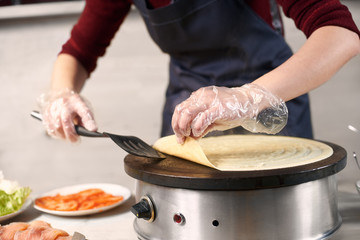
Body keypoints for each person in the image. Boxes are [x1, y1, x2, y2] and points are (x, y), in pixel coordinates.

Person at [38, 0, 360, 145]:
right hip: (186, 122)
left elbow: (340, 33)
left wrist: (248, 97)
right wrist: (62, 95)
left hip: (268, 110)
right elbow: (77, 53)